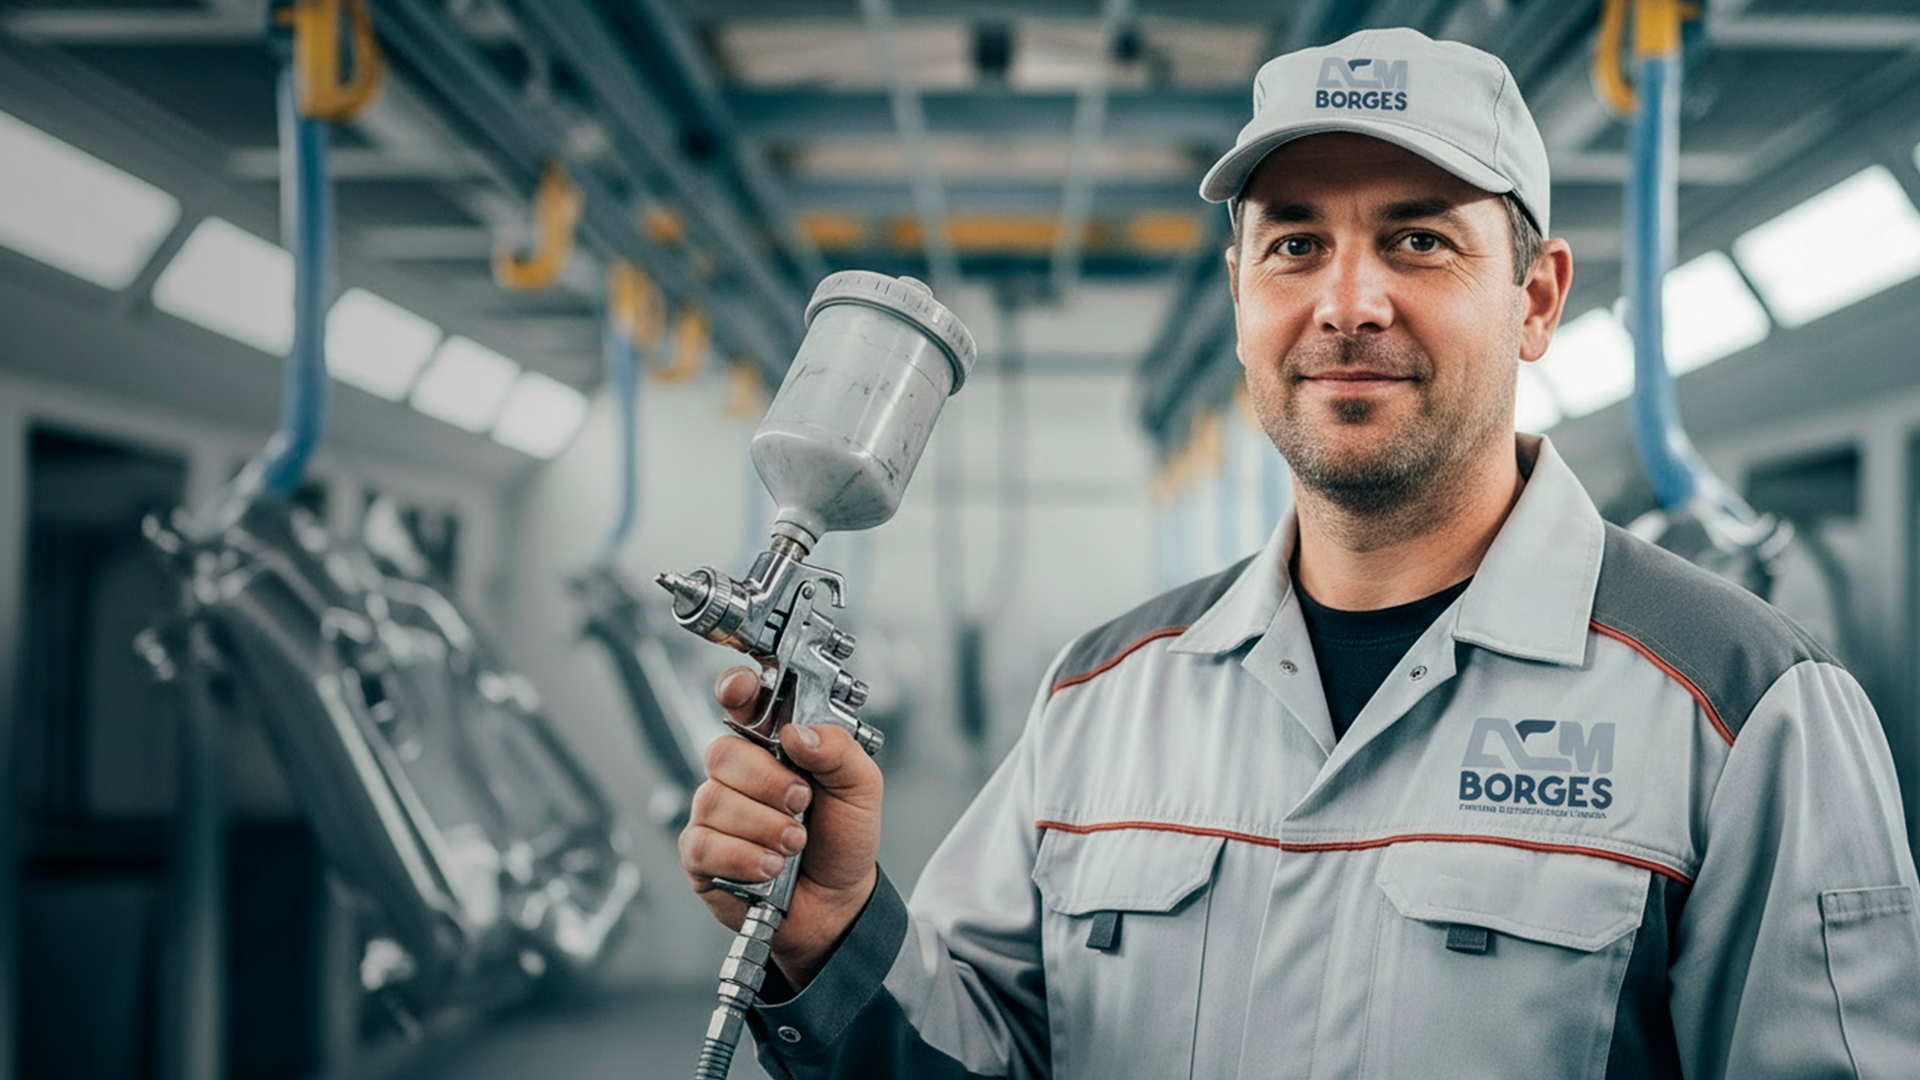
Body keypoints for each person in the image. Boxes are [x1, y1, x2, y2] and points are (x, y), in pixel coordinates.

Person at [678, 27, 1920, 1079]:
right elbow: (981, 1053)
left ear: (1536, 299)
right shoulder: (1106, 694)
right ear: (1240, 296)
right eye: (1294, 244)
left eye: (1419, 240)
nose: (1347, 302)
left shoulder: (1746, 706)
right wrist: (836, 930)